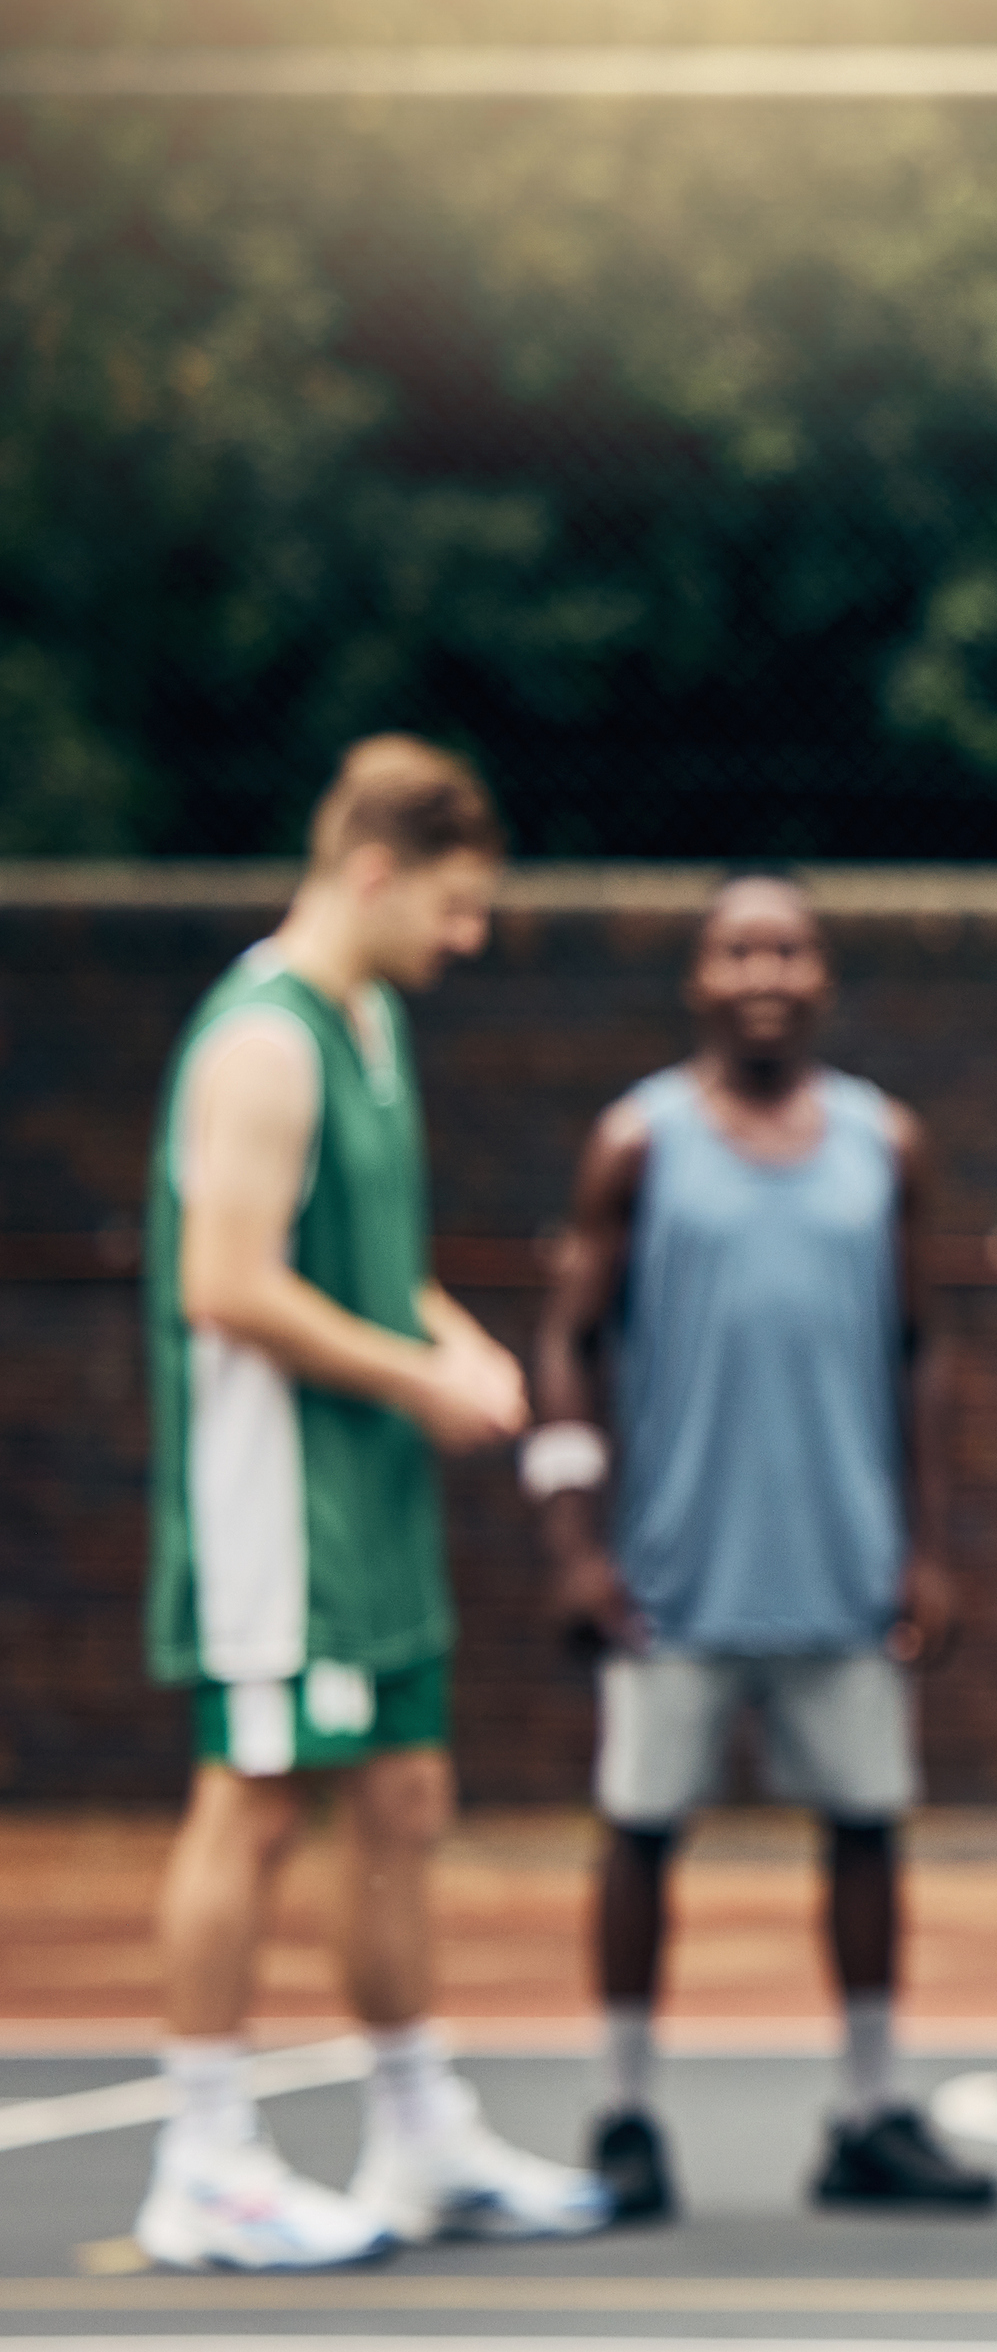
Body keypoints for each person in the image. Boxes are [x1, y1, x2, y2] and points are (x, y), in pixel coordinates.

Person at [135, 736, 612, 2272]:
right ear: (375, 870)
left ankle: (419, 2134)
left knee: (406, 1798)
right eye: (455, 907)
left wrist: (447, 1332)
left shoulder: (373, 1026)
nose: (467, 940)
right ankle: (203, 2156)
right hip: (275, 1496)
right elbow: (226, 1281)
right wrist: (413, 1378)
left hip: (371, 1488)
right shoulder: (261, 1043)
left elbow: (357, 1250)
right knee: (258, 1797)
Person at [529, 872, 996, 2219]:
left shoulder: (880, 1142)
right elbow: (568, 1334)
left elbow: (925, 1346)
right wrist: (574, 1536)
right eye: (738, 949)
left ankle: (868, 2108)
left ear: (822, 976)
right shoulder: (641, 1141)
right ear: (700, 978)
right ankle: (622, 2112)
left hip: (843, 1564)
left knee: (865, 1829)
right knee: (640, 1831)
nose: (765, 971)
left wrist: (930, 1543)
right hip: (673, 1570)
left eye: (789, 948)